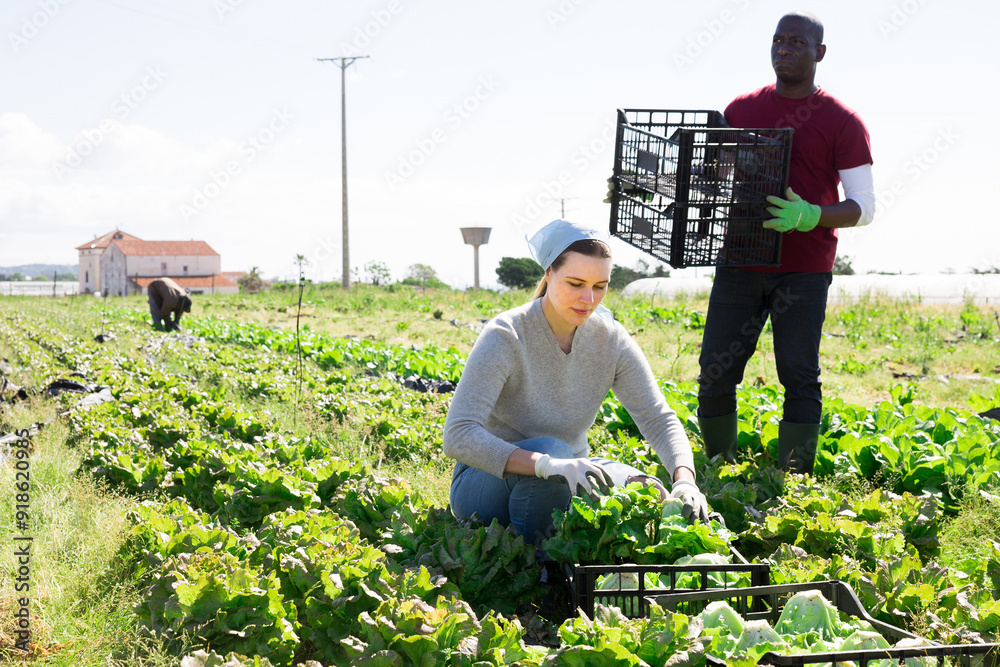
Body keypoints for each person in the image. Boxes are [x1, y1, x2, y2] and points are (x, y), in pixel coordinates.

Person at [442, 219, 709, 549]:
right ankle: (538, 565)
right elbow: (458, 435)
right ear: (549, 274)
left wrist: (685, 479)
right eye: (576, 283)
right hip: (485, 482)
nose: (589, 298)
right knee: (553, 452)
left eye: (600, 286)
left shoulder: (610, 340)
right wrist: (546, 464)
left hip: (569, 469)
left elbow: (657, 417)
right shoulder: (506, 335)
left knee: (650, 489)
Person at [696, 12, 875, 474]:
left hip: (804, 268)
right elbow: (714, 177)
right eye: (778, 40)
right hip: (740, 258)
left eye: (797, 41)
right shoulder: (740, 110)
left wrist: (812, 215)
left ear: (820, 52)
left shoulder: (842, 121)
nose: (785, 48)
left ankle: (794, 475)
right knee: (716, 369)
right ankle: (718, 467)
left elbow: (864, 206)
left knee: (798, 373)